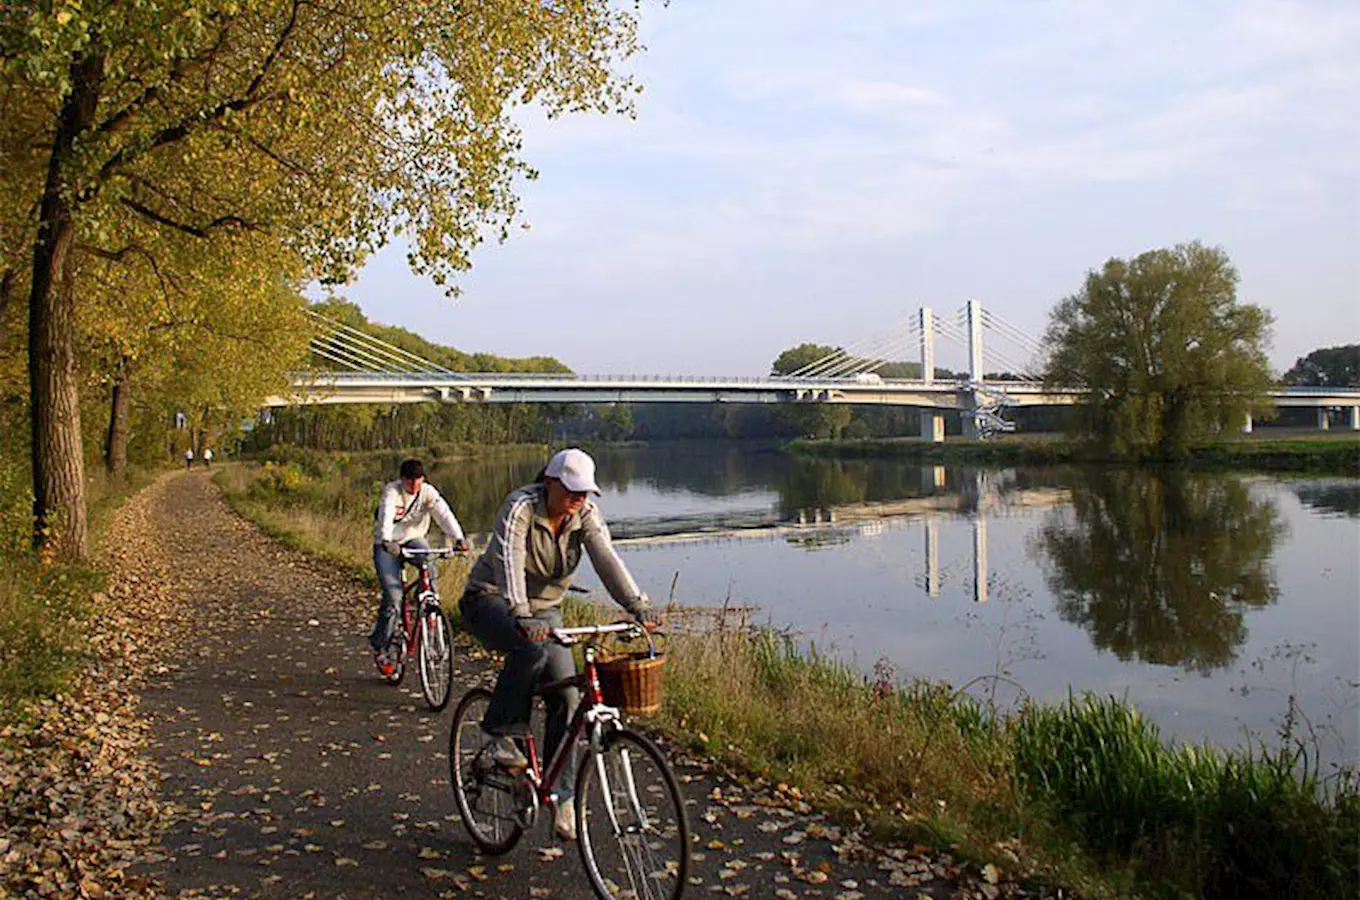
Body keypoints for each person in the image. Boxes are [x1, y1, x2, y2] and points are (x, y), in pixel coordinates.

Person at [460, 447, 660, 841]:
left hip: (545, 610)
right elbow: (508, 563)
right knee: (530, 649)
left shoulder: (584, 515)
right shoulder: (520, 508)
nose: (578, 500)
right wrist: (520, 612)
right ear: (549, 483)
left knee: (569, 697)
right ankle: (497, 732)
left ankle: (560, 794)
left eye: (585, 493)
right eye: (571, 491)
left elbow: (607, 558)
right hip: (492, 598)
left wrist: (637, 606)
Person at [371, 458, 468, 674]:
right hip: (387, 546)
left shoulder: (428, 493)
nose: (414, 486)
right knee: (394, 597)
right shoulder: (392, 492)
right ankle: (381, 647)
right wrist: (387, 540)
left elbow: (444, 514)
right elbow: (386, 514)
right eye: (409, 482)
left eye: (417, 481)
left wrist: (458, 538)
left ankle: (429, 607)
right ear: (402, 479)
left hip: (414, 539)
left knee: (429, 564)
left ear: (423, 479)